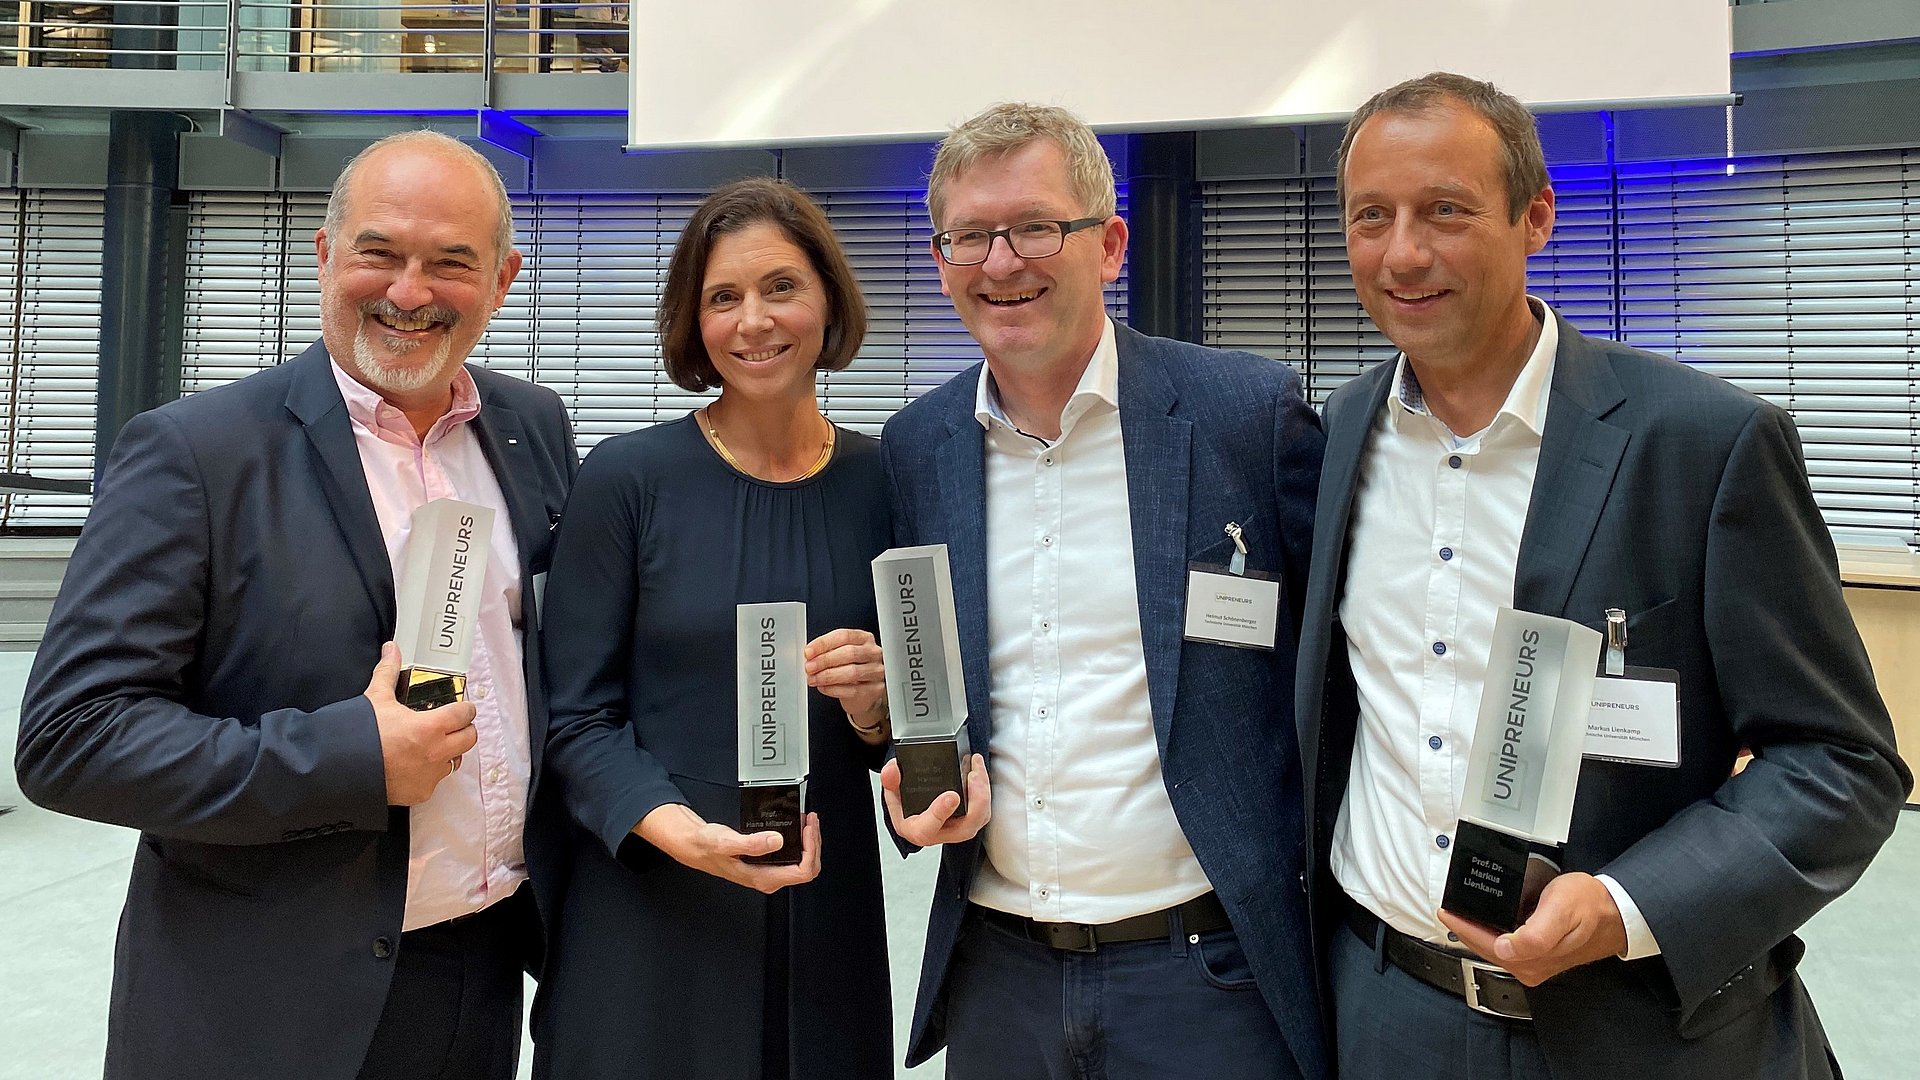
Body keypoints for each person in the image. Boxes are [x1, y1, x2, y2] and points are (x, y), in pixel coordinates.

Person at [1295, 71, 1911, 1080]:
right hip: (1382, 1011)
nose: (1403, 252)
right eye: (1373, 217)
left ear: (1535, 217)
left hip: (1635, 1026)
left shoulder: (1703, 444)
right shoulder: (1332, 439)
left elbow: (1840, 765)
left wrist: (1627, 909)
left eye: (1445, 211)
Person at [15, 128, 578, 1080]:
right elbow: (72, 739)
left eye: (451, 262)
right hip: (262, 1000)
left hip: (478, 976)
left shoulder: (531, 429)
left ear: (503, 278)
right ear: (323, 253)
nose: (410, 291)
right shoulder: (197, 454)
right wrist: (349, 757)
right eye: (379, 252)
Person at [878, 102, 1329, 1080]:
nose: (1002, 262)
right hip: (1000, 980)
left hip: (1207, 978)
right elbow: (920, 691)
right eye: (970, 236)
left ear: (1110, 243)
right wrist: (910, 783)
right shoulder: (918, 449)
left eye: (1037, 226)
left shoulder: (1246, 414)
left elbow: (1345, 655)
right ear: (941, 257)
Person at [532, 177, 893, 1080]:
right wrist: (675, 829)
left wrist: (876, 710)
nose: (753, 321)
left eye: (780, 287)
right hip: (652, 907)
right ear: (692, 323)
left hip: (823, 913)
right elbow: (574, 716)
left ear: (828, 300)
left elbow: (915, 727)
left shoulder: (888, 483)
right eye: (721, 297)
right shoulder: (628, 480)